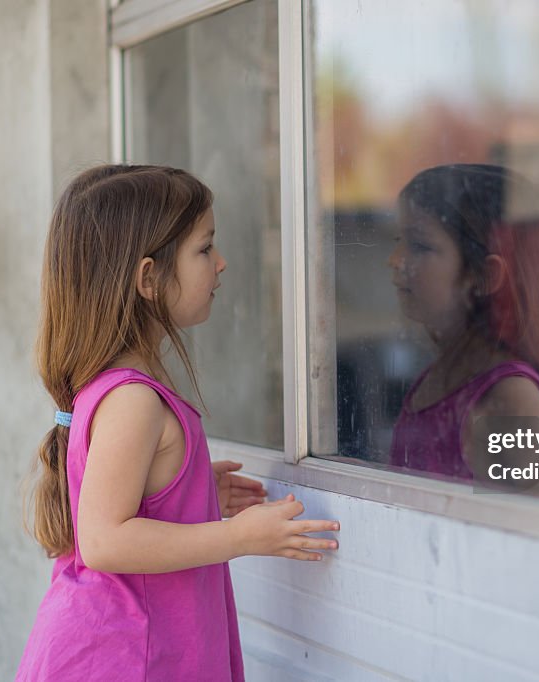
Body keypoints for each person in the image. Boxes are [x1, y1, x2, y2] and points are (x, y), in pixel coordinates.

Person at [17, 164, 339, 681]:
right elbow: (104, 540)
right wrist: (237, 537)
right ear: (148, 278)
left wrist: (187, 495)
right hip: (126, 661)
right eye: (205, 248)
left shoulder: (115, 390)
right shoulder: (133, 400)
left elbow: (121, 503)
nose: (221, 263)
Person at [388, 163, 539, 480]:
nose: (394, 260)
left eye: (419, 245)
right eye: (398, 240)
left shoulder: (508, 396)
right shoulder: (437, 377)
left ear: (484, 276)